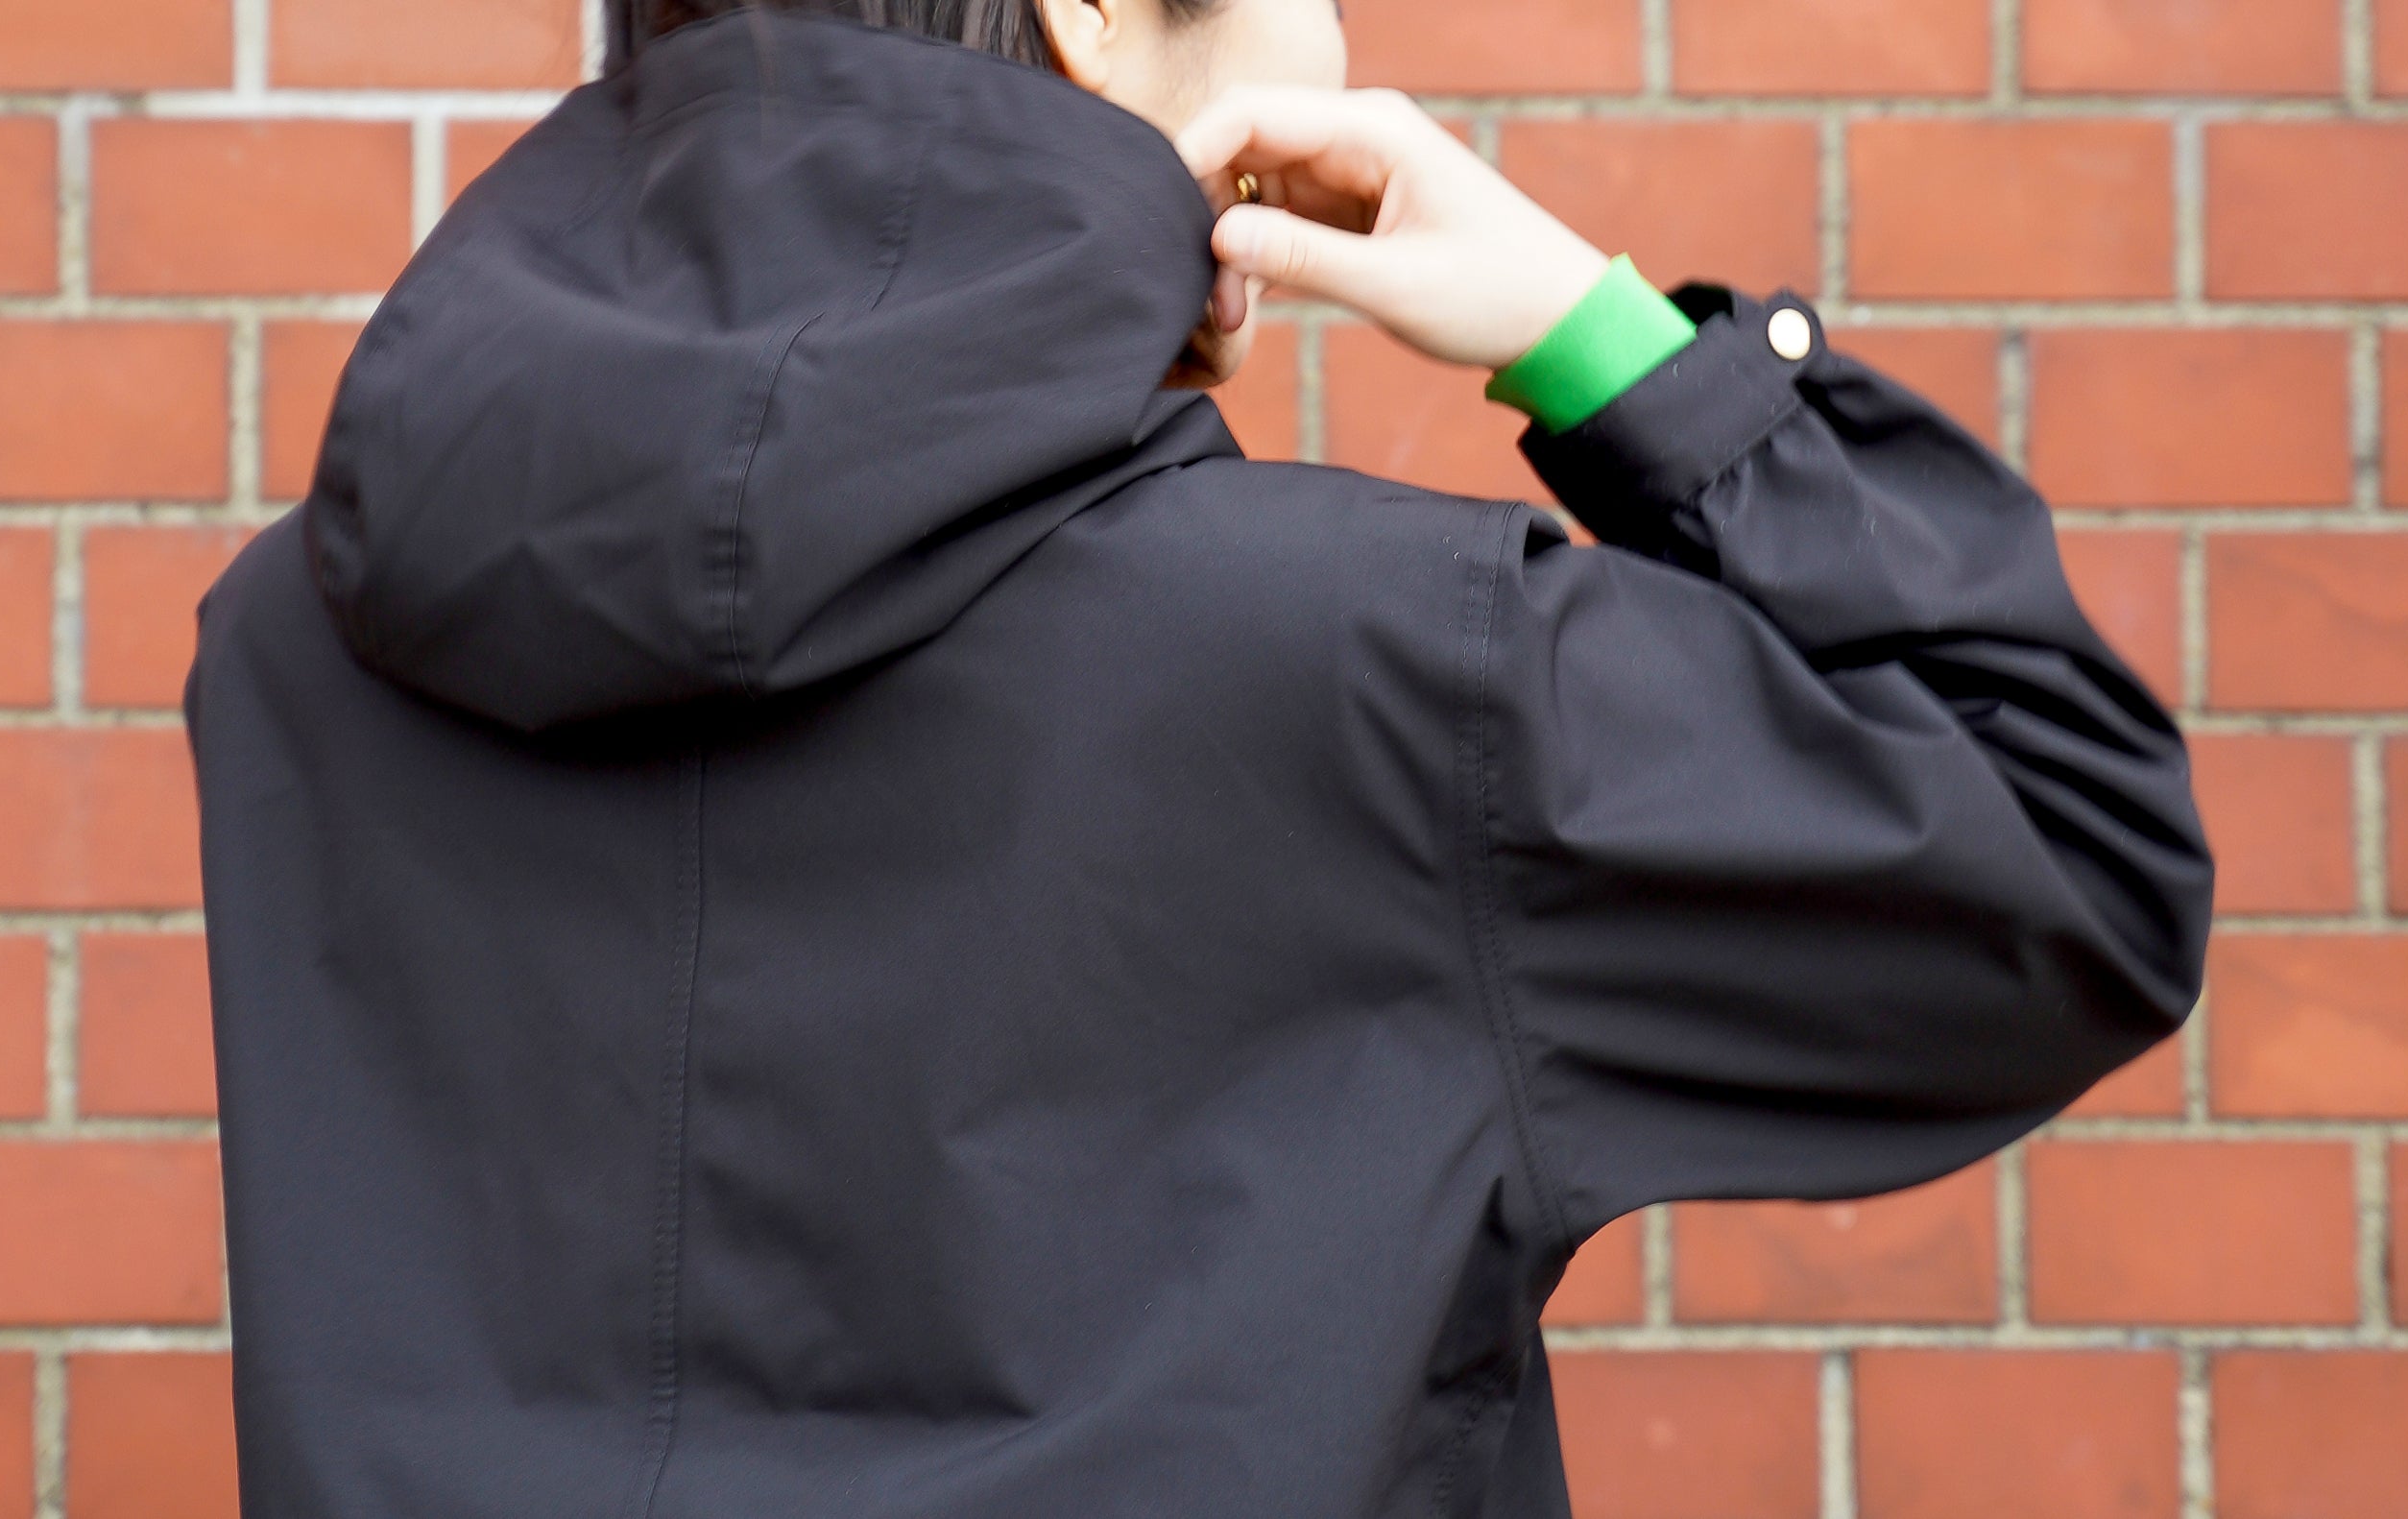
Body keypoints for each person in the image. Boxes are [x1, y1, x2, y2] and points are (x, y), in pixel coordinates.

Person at [183, 1, 2214, 1514]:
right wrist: (1592, 336)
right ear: (1087, 9)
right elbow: (2071, 842)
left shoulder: (294, 649)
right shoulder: (1393, 674)